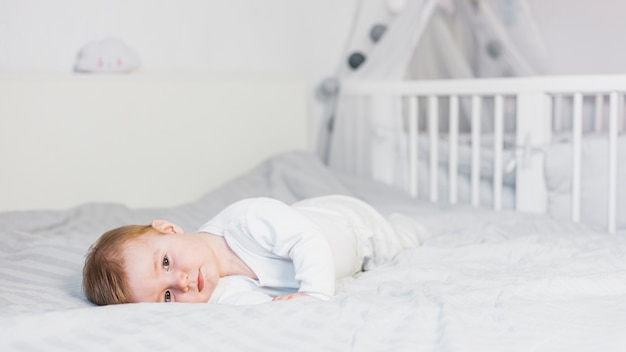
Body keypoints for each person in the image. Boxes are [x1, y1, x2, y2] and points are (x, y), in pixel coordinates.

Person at [82, 195, 428, 306]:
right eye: (167, 297)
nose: (183, 282)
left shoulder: (247, 220)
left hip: (349, 225)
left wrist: (314, 294)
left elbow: (307, 240)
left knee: (398, 241)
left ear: (169, 229)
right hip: (345, 262)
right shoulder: (217, 294)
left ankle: (409, 223)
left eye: (167, 262)